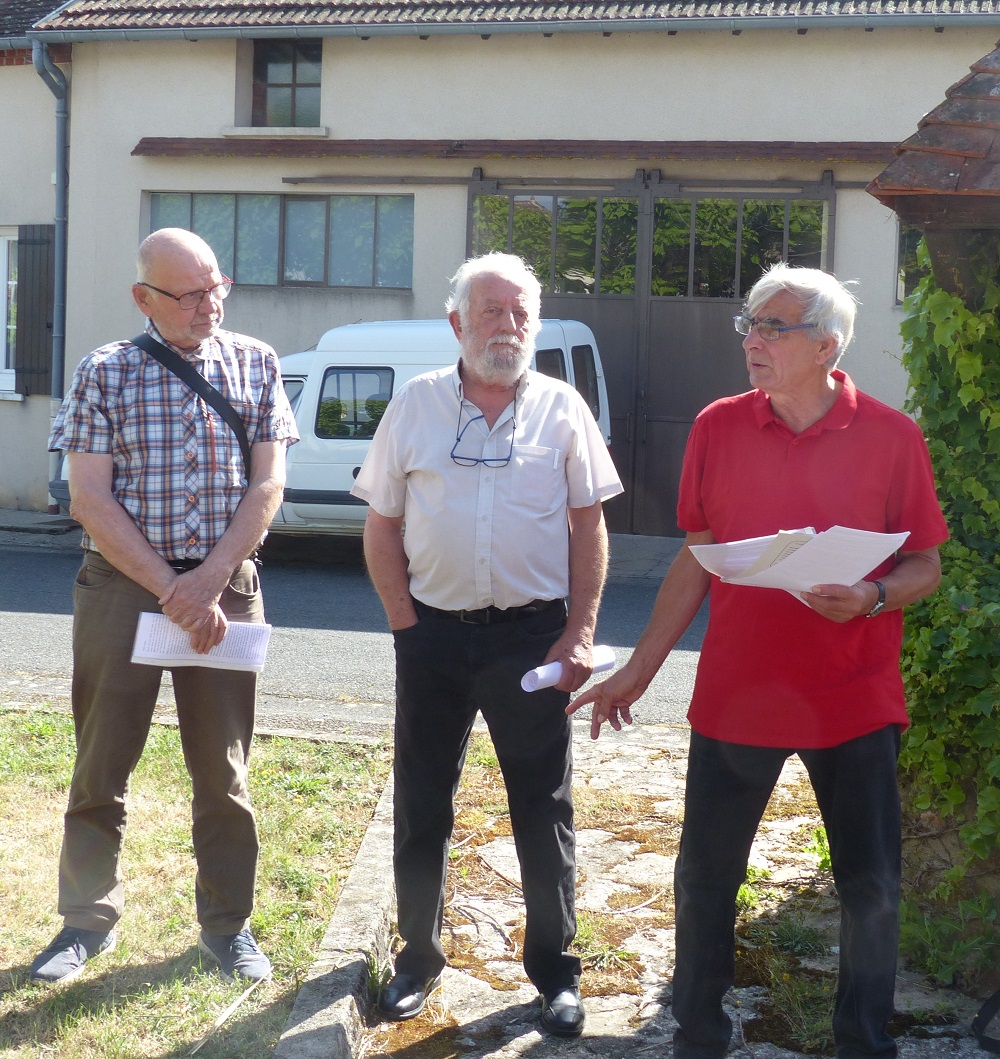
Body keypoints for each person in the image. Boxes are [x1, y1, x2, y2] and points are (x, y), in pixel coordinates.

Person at [570, 263, 948, 1059]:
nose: (752, 340)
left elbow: (925, 565)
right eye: (750, 324)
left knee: (872, 887)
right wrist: (638, 669)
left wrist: (873, 594)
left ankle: (863, 1043)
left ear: (826, 345)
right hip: (739, 695)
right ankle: (699, 1036)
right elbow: (696, 556)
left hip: (853, 697)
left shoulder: (892, 436)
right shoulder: (717, 425)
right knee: (705, 878)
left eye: (774, 327)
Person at [352, 252, 623, 1037]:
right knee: (422, 800)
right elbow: (382, 522)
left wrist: (579, 632)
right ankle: (417, 957)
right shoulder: (415, 404)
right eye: (491, 311)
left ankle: (555, 972)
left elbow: (588, 525)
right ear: (457, 323)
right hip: (433, 636)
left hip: (533, 639)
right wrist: (404, 622)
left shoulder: (563, 408)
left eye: (520, 313)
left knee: (543, 805)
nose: (507, 326)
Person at [33, 228, 298, 986]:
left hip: (224, 588)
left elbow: (268, 484)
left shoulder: (256, 362)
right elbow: (89, 498)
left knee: (224, 770)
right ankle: (84, 920)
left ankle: (228, 925)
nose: (208, 304)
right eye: (188, 294)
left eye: (216, 287)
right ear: (143, 298)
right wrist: (170, 588)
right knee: (102, 761)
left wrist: (208, 581)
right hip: (123, 587)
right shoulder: (104, 371)